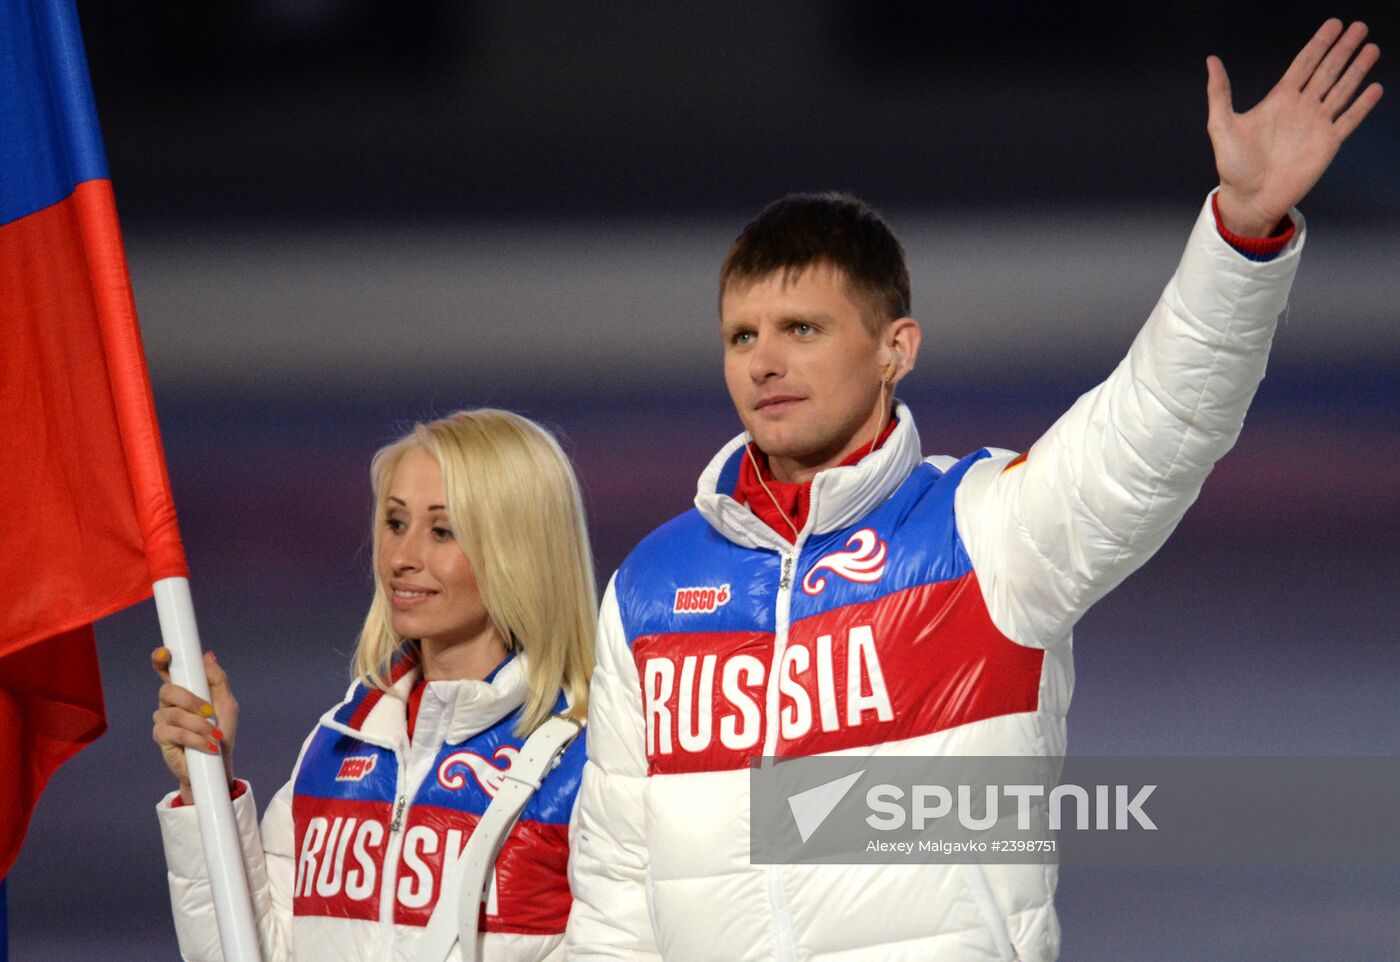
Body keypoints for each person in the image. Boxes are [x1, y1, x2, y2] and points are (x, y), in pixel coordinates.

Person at [567, 20, 1382, 962]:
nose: (766, 362)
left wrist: (1239, 235)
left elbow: (1154, 426)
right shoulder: (651, 591)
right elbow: (616, 893)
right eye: (742, 336)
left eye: (802, 328)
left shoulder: (983, 530)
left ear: (894, 349)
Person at [151, 409, 596, 961]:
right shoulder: (337, 745)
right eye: (394, 523)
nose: (403, 559)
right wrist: (205, 787)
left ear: (519, 550)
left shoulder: (587, 763)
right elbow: (246, 955)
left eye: (442, 530)